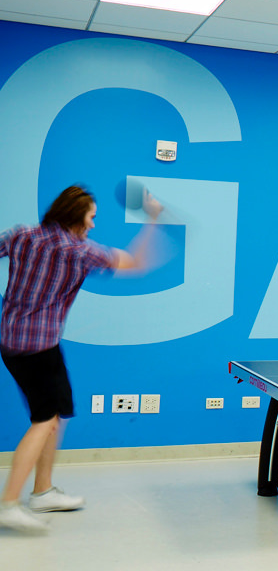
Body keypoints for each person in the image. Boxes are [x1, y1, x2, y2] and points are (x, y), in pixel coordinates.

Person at [0, 184, 162, 533]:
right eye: (90, 218)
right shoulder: (79, 251)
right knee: (44, 420)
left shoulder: (21, 236)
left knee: (56, 414)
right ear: (74, 216)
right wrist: (152, 220)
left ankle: (42, 491)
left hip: (12, 342)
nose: (92, 226)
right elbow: (137, 263)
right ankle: (8, 503)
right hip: (39, 348)